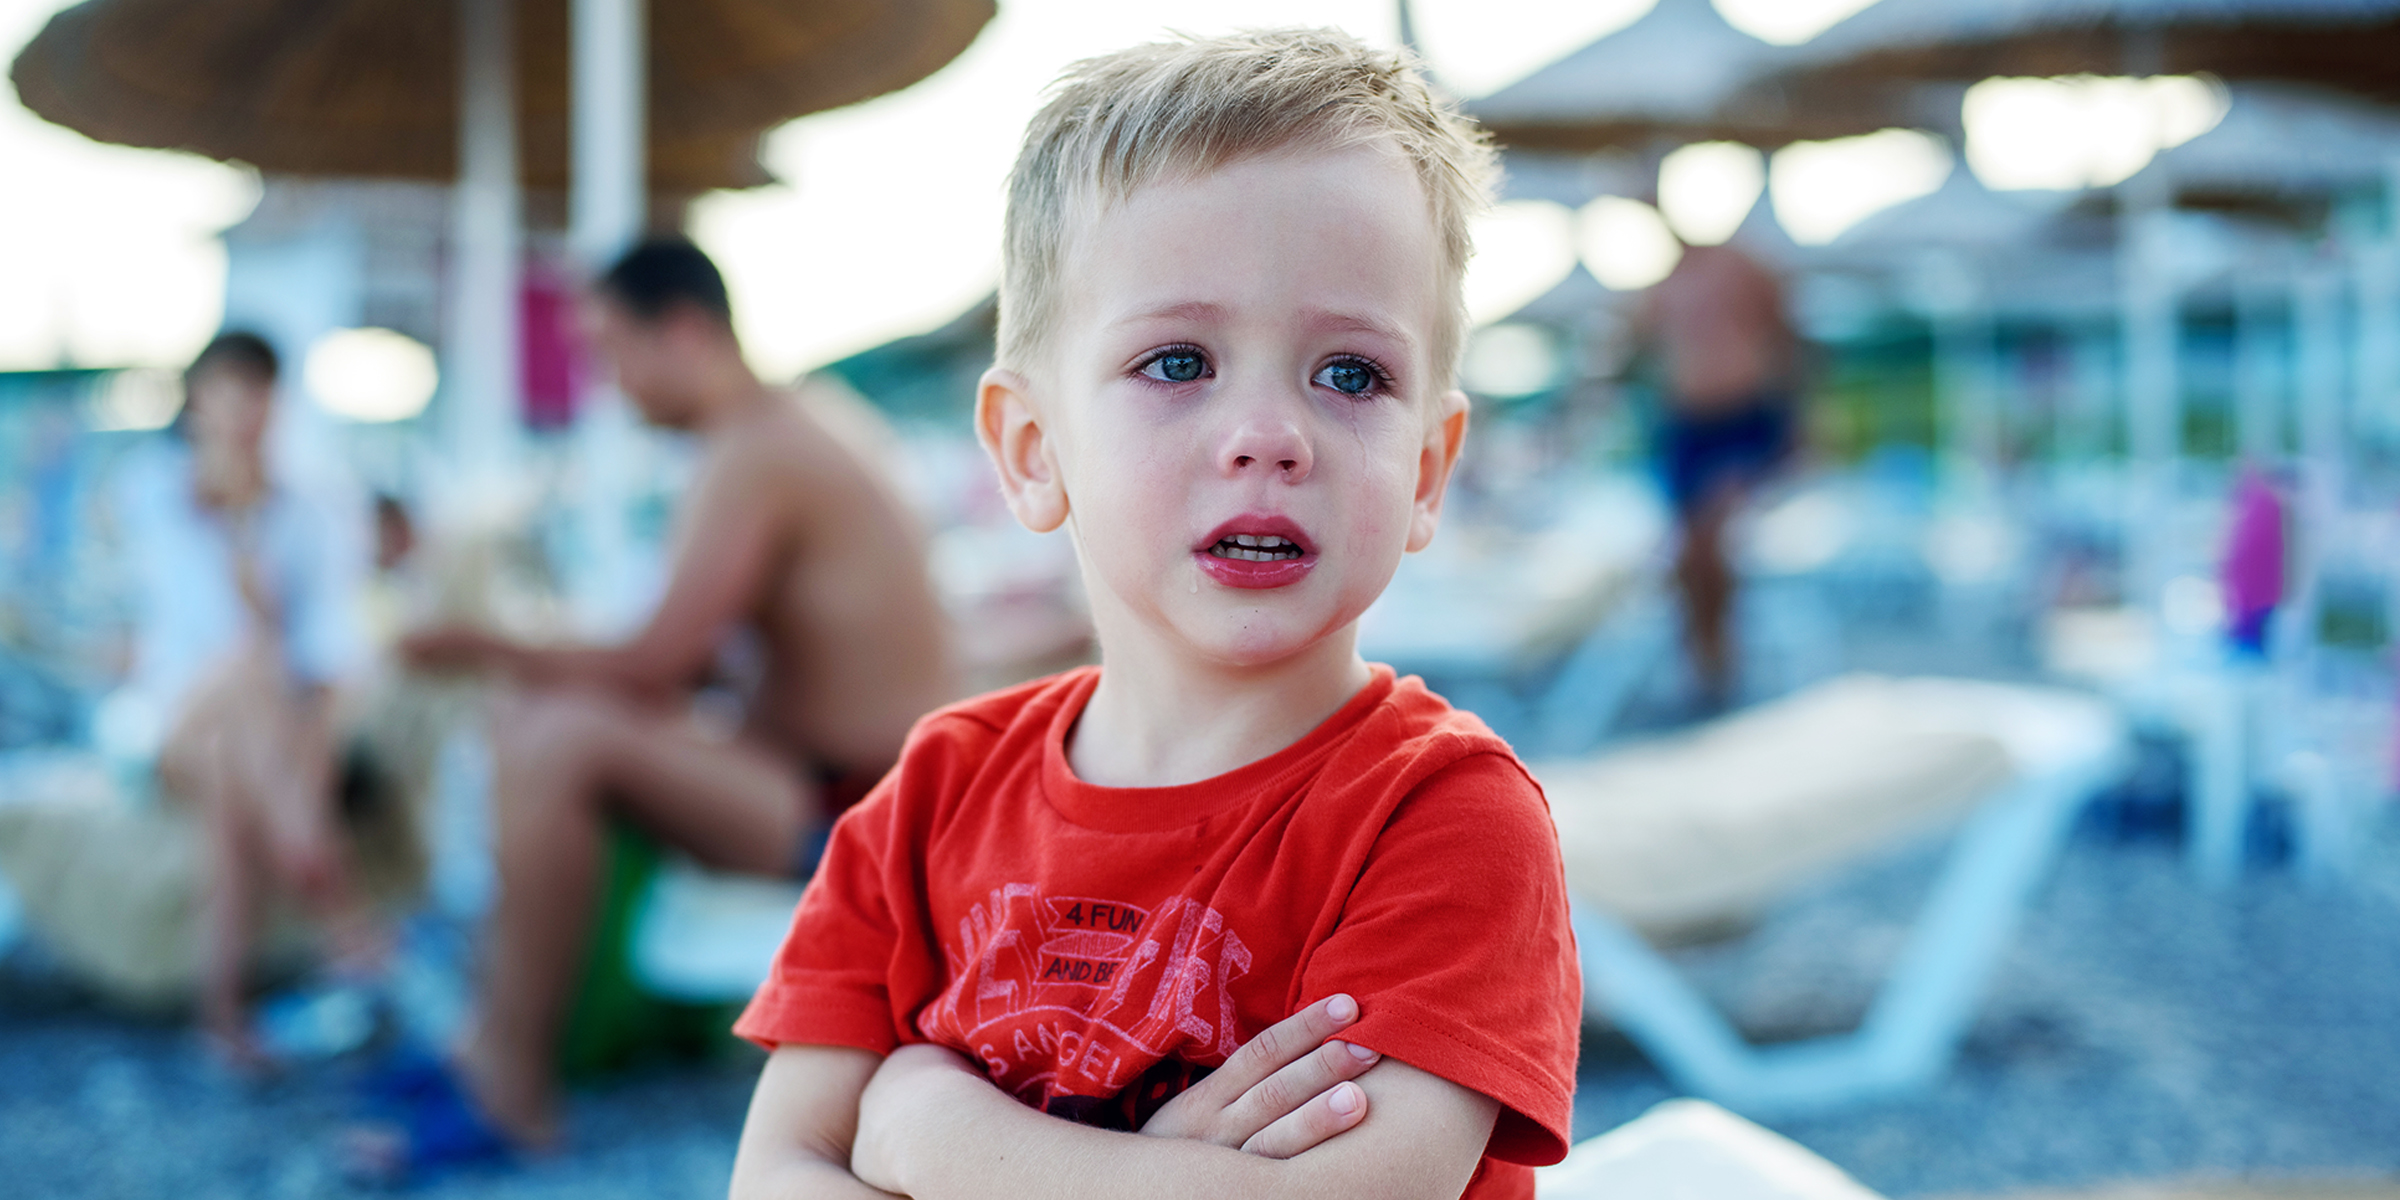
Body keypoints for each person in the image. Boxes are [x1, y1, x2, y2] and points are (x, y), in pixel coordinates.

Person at [729, 30, 1580, 1200]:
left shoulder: (1440, 821)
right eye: (1179, 362)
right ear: (1034, 452)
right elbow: (774, 1175)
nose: (1269, 434)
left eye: (1349, 375)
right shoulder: (931, 803)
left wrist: (932, 1132)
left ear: (1428, 471)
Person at [394, 236, 956, 1161]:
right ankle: (490, 1044)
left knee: (561, 736)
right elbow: (694, 665)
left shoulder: (756, 450)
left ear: (685, 331)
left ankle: (514, 1088)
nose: (608, 384)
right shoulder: (796, 422)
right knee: (547, 721)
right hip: (837, 784)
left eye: (612, 352)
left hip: (859, 817)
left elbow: (657, 660)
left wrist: (468, 644)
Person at [129, 331, 374, 1068]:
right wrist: (236, 516)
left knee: (233, 789)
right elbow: (206, 646)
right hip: (176, 716)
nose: (242, 413)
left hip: (260, 732)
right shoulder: (153, 490)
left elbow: (326, 657)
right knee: (240, 674)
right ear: (197, 402)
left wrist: (309, 763)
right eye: (225, 393)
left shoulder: (318, 504)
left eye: (256, 393)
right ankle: (350, 933)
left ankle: (223, 1020)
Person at [1637, 239, 1802, 708]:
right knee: (1689, 553)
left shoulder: (1742, 267)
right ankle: (1707, 663)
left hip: (1737, 417)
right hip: (1690, 423)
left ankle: (1716, 666)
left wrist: (1793, 423)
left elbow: (1787, 341)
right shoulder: (1665, 285)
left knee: (1707, 544)